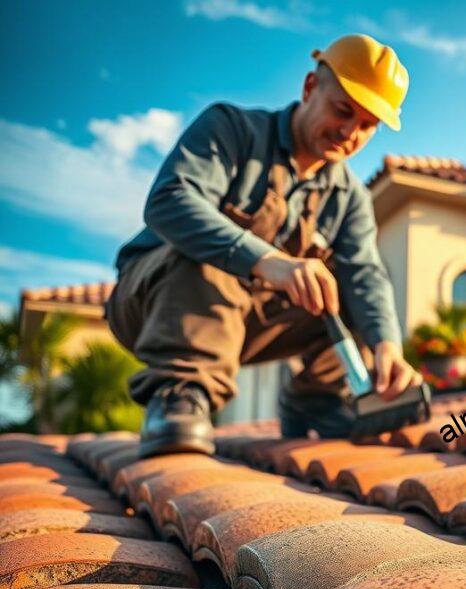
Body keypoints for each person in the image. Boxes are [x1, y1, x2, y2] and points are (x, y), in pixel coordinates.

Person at [106, 34, 421, 458]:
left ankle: (318, 399)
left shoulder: (350, 198)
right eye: (343, 110)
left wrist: (387, 346)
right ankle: (180, 393)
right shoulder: (231, 129)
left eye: (367, 126)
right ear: (310, 88)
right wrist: (267, 260)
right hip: (153, 303)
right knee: (208, 254)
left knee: (343, 289)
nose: (350, 132)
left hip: (249, 323)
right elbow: (169, 200)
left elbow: (366, 274)